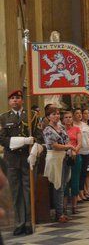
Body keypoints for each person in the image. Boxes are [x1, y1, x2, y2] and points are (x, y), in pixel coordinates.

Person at [0, 90, 38, 235]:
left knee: (28, 191)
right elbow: (1, 138)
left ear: (22, 100)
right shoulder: (3, 118)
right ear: (9, 102)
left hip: (27, 158)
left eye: (18, 98)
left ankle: (29, 222)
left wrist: (34, 149)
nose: (15, 100)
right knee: (16, 192)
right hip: (12, 160)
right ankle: (19, 222)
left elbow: (38, 137)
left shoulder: (32, 116)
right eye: (12, 98)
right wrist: (21, 141)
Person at [43, 106, 76, 223]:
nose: (56, 116)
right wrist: (68, 147)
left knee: (64, 185)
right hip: (55, 158)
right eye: (53, 114)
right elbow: (54, 145)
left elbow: (67, 140)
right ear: (48, 117)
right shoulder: (48, 129)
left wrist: (70, 150)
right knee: (58, 186)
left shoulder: (61, 127)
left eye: (57, 114)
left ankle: (62, 211)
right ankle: (59, 213)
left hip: (65, 157)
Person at [63, 110, 82, 215]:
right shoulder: (61, 129)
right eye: (66, 117)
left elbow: (79, 143)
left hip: (75, 156)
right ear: (63, 119)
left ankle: (74, 206)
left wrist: (74, 151)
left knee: (75, 180)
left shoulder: (76, 129)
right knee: (65, 181)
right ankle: (64, 207)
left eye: (70, 117)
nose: (68, 119)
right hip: (64, 157)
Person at [76, 109, 89, 202]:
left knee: (84, 173)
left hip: (86, 150)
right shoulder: (73, 125)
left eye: (80, 113)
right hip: (78, 151)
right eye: (77, 113)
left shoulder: (85, 125)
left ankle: (82, 192)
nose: (79, 115)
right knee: (78, 173)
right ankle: (78, 193)